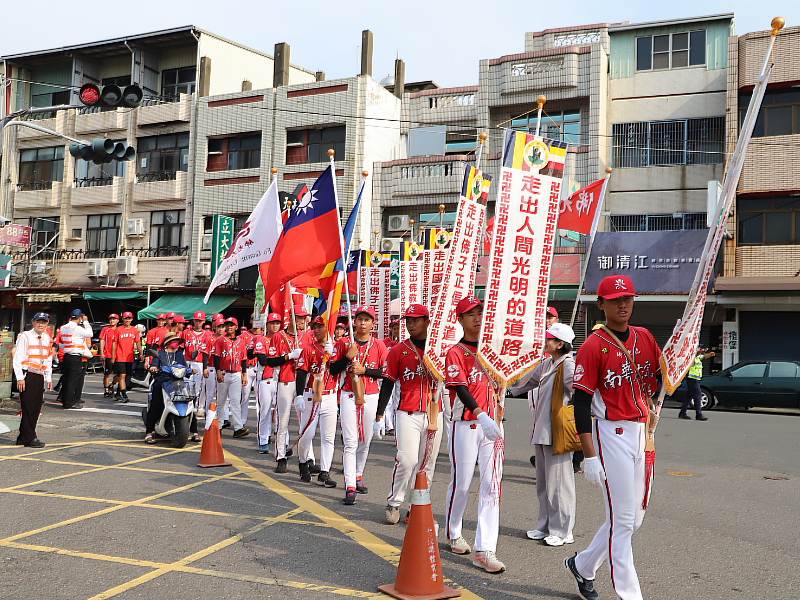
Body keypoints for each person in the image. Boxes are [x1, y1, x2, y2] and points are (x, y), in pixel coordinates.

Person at [565, 275, 661, 600]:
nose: (623, 304)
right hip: (612, 434)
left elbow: (661, 375)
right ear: (601, 303)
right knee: (622, 520)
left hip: (642, 434)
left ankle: (582, 565)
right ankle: (629, 595)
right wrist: (588, 454)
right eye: (615, 299)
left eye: (628, 298)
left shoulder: (645, 337)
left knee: (633, 521)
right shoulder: (592, 346)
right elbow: (580, 402)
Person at [443, 296, 505, 573]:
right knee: (463, 483)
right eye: (471, 314)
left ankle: (484, 548)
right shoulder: (455, 352)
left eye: (481, 312)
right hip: (467, 424)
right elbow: (461, 389)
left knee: (492, 486)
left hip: (493, 427)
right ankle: (454, 531)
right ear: (461, 319)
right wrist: (481, 414)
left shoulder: (494, 351)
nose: (477, 318)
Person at [377, 304, 442, 525]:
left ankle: (416, 507)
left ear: (427, 321)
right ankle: (394, 502)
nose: (411, 324)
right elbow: (387, 383)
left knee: (427, 464)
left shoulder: (438, 350)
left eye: (416, 320)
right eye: (408, 321)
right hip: (407, 412)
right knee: (407, 460)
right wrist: (379, 415)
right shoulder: (398, 350)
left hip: (434, 414)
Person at [517, 323, 577, 547]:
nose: (544, 341)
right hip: (542, 431)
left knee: (559, 484)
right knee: (544, 483)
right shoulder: (548, 364)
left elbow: (581, 393)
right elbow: (524, 382)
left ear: (560, 344)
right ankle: (545, 527)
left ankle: (563, 531)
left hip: (558, 432)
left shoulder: (568, 366)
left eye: (549, 338)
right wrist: (502, 384)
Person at [330, 305, 388, 506]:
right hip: (348, 394)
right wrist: (347, 356)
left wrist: (365, 370)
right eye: (359, 319)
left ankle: (357, 475)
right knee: (350, 441)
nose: (362, 323)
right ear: (354, 321)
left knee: (365, 440)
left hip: (371, 395)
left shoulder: (379, 345)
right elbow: (332, 369)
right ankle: (349, 486)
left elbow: (386, 372)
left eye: (367, 319)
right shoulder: (344, 342)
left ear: (373, 323)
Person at [294, 316, 338, 485]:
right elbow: (302, 373)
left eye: (320, 327)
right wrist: (299, 395)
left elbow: (338, 369)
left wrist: (333, 354)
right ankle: (303, 463)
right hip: (311, 396)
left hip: (330, 395)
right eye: (315, 327)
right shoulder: (308, 349)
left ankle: (324, 473)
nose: (317, 330)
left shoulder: (334, 348)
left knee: (328, 437)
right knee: (307, 434)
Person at [265, 306, 308, 473]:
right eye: (299, 317)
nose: (302, 321)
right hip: (285, 380)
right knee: (282, 421)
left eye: (304, 318)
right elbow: (270, 361)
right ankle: (281, 456)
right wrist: (288, 356)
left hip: (302, 381)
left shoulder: (307, 337)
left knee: (305, 421)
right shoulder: (278, 336)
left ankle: (307, 458)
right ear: (290, 317)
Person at [13, 313, 53, 447]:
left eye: (43, 322)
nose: (40, 324)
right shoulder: (25, 336)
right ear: (33, 322)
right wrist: (20, 378)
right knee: (28, 407)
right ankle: (30, 438)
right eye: (38, 322)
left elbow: (47, 358)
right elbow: (18, 358)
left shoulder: (46, 338)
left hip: (39, 375)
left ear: (47, 324)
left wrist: (48, 377)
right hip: (27, 375)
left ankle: (23, 436)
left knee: (35, 408)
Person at [145, 332, 189, 444]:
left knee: (189, 402)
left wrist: (190, 370)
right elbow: (154, 365)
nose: (176, 344)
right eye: (174, 341)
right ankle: (148, 433)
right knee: (156, 405)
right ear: (167, 343)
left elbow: (185, 367)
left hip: (177, 383)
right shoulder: (160, 354)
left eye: (177, 342)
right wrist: (154, 368)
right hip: (162, 383)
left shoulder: (179, 355)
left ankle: (194, 431)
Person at [212, 317, 250, 438]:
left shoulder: (241, 341)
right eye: (227, 325)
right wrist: (217, 372)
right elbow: (216, 357)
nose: (229, 327)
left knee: (235, 402)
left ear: (236, 327)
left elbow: (243, 359)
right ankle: (218, 426)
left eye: (231, 325)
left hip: (236, 374)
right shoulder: (220, 340)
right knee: (221, 402)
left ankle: (238, 428)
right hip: (223, 373)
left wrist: (244, 374)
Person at [253, 313, 282, 454]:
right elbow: (263, 360)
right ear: (267, 324)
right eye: (272, 323)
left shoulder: (283, 340)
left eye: (277, 323)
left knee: (281, 413)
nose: (275, 326)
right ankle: (263, 441)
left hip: (280, 380)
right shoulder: (261, 339)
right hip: (265, 380)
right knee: (264, 412)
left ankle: (282, 443)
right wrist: (282, 358)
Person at [58, 309, 93, 409]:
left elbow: (60, 343)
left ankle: (65, 401)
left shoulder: (63, 327)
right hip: (75, 356)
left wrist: (67, 349)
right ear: (80, 318)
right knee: (72, 381)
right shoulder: (76, 328)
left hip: (66, 356)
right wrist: (86, 322)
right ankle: (69, 403)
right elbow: (89, 334)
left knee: (67, 379)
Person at [110, 312, 141, 403]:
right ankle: (124, 394)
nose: (128, 320)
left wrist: (141, 353)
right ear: (123, 319)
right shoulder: (118, 330)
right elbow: (114, 343)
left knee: (127, 375)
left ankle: (117, 393)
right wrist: (113, 356)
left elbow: (138, 342)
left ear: (132, 319)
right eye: (126, 318)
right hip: (120, 356)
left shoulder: (134, 330)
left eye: (129, 318)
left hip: (130, 357)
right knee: (122, 375)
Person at [679, 346, 715, 421]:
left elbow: (703, 357)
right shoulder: (690, 356)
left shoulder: (698, 357)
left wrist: (710, 354)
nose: (701, 349)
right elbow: (695, 354)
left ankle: (682, 413)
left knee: (688, 396)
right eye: (699, 347)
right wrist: (699, 351)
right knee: (698, 396)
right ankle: (699, 414)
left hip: (695, 379)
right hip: (692, 379)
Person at [239, 313, 259, 427]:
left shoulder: (265, 335)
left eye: (258, 319)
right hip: (247, 368)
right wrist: (242, 372)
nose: (256, 321)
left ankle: (260, 423)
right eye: (253, 319)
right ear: (250, 321)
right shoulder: (243, 336)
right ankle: (242, 421)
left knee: (260, 398)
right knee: (245, 396)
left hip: (260, 369)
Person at [204, 317, 226, 422]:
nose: (221, 329)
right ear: (215, 327)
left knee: (223, 395)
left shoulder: (227, 339)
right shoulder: (209, 338)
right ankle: (208, 416)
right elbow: (205, 354)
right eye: (218, 327)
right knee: (210, 393)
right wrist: (204, 368)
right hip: (211, 367)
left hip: (223, 369)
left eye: (222, 327)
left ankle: (224, 418)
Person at [382, 318, 401, 435]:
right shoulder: (386, 342)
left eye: (398, 328)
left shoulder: (405, 342)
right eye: (394, 328)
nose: (396, 330)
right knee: (388, 401)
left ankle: (396, 424)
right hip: (388, 374)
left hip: (401, 375)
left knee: (397, 401)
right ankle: (388, 425)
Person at [99, 314, 119, 397]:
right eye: (111, 319)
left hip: (117, 355)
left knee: (119, 373)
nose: (112, 321)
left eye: (114, 319)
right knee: (107, 373)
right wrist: (102, 353)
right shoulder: (105, 329)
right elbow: (102, 341)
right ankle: (106, 390)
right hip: (107, 354)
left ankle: (112, 384)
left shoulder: (119, 330)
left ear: (117, 320)